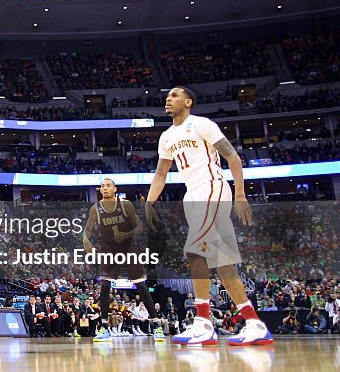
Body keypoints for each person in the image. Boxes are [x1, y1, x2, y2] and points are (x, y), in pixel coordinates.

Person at [146, 86, 272, 346]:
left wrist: (240, 196)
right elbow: (160, 174)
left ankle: (203, 322)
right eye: (167, 96)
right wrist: (149, 202)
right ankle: (254, 323)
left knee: (195, 253)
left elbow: (233, 158)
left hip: (212, 187)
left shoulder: (202, 124)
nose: (168, 99)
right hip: (192, 194)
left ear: (188, 102)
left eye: (174, 96)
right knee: (222, 263)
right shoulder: (167, 136)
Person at [83, 178, 163, 343]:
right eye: (102, 186)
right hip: (108, 248)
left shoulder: (125, 204)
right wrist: (86, 240)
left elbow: (139, 227)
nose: (104, 188)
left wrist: (125, 235)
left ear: (115, 189)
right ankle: (104, 327)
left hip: (128, 247)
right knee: (104, 286)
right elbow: (86, 230)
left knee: (141, 285)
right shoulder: (95, 209)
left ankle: (157, 326)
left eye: (108, 186)